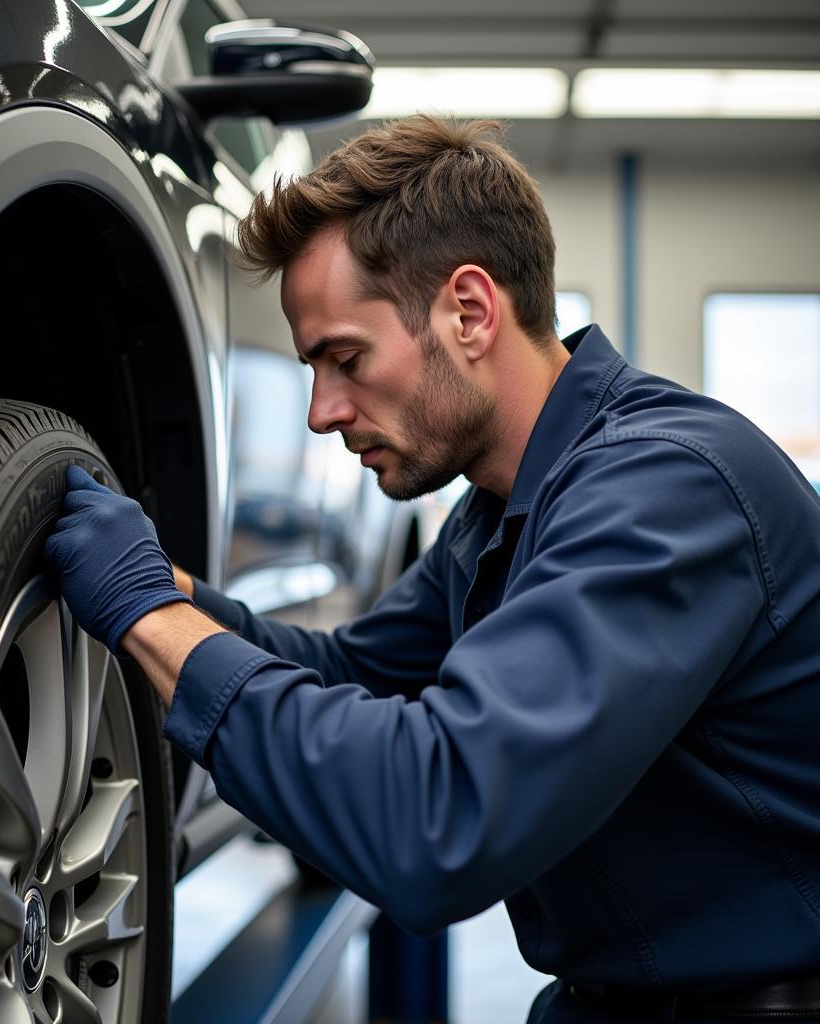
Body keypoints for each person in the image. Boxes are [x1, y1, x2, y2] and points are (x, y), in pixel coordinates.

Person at [44, 116, 820, 1023]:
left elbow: (437, 822)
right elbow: (349, 674)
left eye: (345, 359)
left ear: (469, 311)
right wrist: (171, 591)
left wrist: (147, 618)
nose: (321, 414)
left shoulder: (669, 488)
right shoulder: (492, 516)